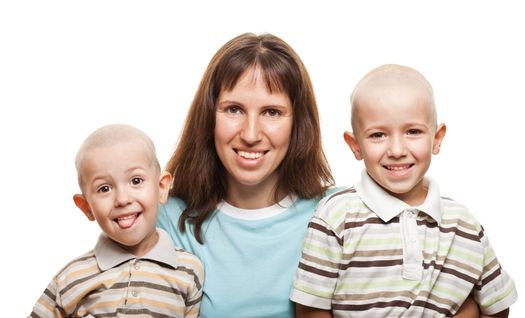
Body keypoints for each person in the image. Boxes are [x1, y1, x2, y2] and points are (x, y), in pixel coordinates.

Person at [290, 64, 517, 317]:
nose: (397, 150)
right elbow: (311, 311)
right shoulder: (335, 217)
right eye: (378, 135)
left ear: (437, 138)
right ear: (355, 145)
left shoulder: (464, 225)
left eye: (413, 132)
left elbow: (497, 305)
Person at [156, 32, 335, 318]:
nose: (251, 134)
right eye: (234, 109)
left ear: (298, 123)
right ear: (209, 116)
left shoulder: (338, 213)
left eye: (272, 112)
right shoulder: (166, 219)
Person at [30, 124, 204, 318]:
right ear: (87, 207)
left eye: (136, 181)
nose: (122, 199)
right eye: (104, 188)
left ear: (161, 187)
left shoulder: (189, 271)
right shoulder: (70, 278)